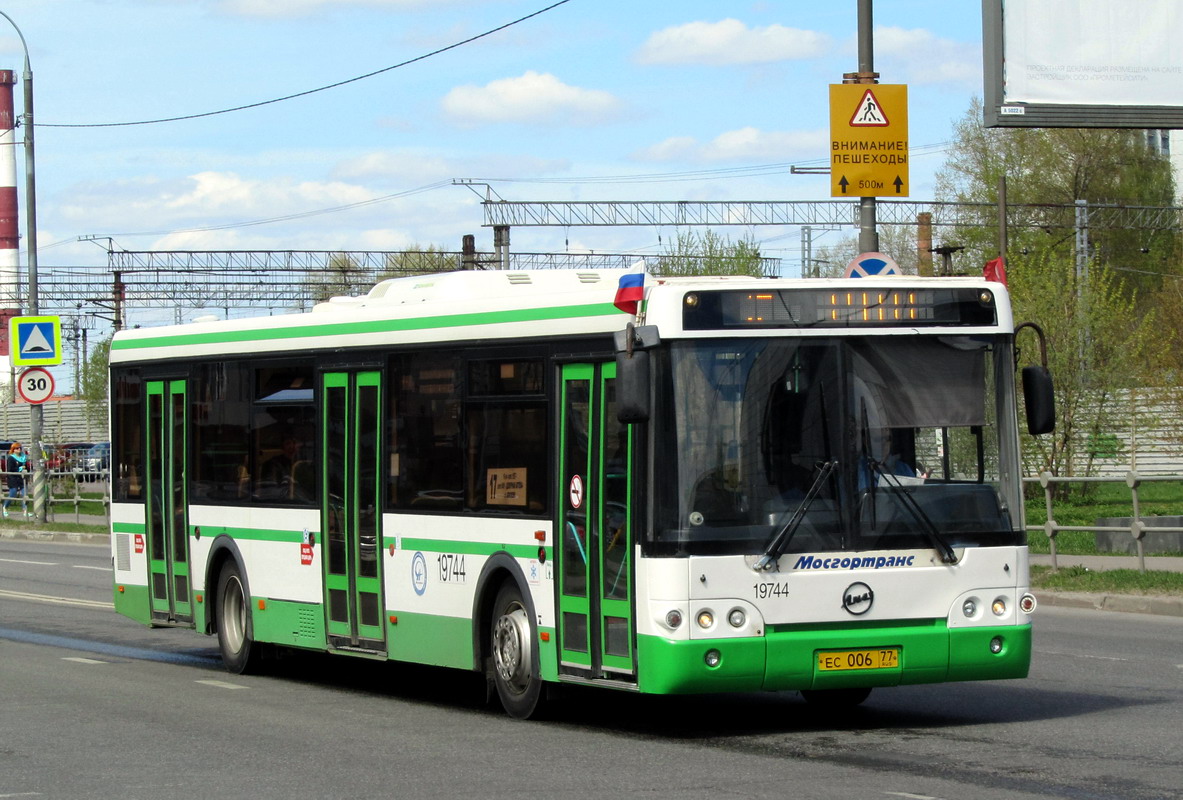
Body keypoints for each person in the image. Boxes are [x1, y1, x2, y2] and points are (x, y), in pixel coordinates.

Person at [3, 442, 28, 519]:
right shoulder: (11, 458)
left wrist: (26, 469)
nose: (19, 449)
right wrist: (18, 469)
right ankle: (4, 507)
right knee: (12, 494)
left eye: (20, 448)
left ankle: (25, 510)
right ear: (13, 450)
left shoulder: (23, 457)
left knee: (24, 494)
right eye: (17, 448)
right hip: (13, 478)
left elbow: (26, 467)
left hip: (22, 478)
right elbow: (10, 469)